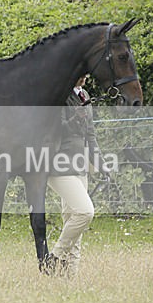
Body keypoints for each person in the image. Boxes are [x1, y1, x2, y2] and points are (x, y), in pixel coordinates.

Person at [46, 75, 111, 277]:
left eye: (86, 74)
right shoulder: (58, 97)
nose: (84, 77)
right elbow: (55, 130)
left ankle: (69, 280)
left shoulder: (85, 96)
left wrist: (100, 163)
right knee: (85, 212)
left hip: (79, 166)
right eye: (80, 73)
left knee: (73, 223)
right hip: (58, 166)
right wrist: (75, 117)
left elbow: (90, 135)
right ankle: (55, 257)